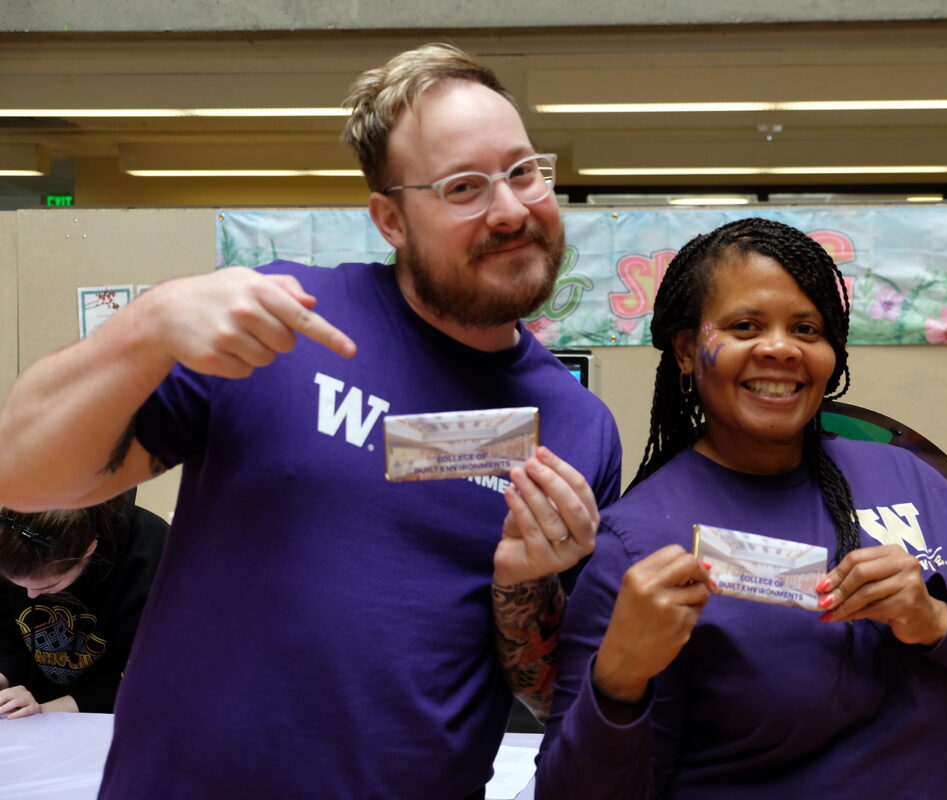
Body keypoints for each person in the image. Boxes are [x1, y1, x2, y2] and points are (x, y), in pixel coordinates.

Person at [0, 44, 622, 798]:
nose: (511, 209)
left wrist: (527, 585)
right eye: (463, 186)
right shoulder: (278, 322)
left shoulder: (578, 425)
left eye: (523, 171)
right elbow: (20, 474)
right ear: (390, 218)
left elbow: (553, 690)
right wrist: (147, 326)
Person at [534, 217, 947, 798]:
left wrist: (937, 618)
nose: (779, 347)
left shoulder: (912, 481)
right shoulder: (637, 543)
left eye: (806, 328)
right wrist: (618, 681)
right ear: (688, 351)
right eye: (745, 325)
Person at [0, 491, 167, 718]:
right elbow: (10, 641)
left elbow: (138, 679)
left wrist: (44, 711)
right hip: (35, 704)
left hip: (112, 715)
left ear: (88, 549)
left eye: (48, 586)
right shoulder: (10, 543)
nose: (30, 596)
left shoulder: (149, 561)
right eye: (17, 585)